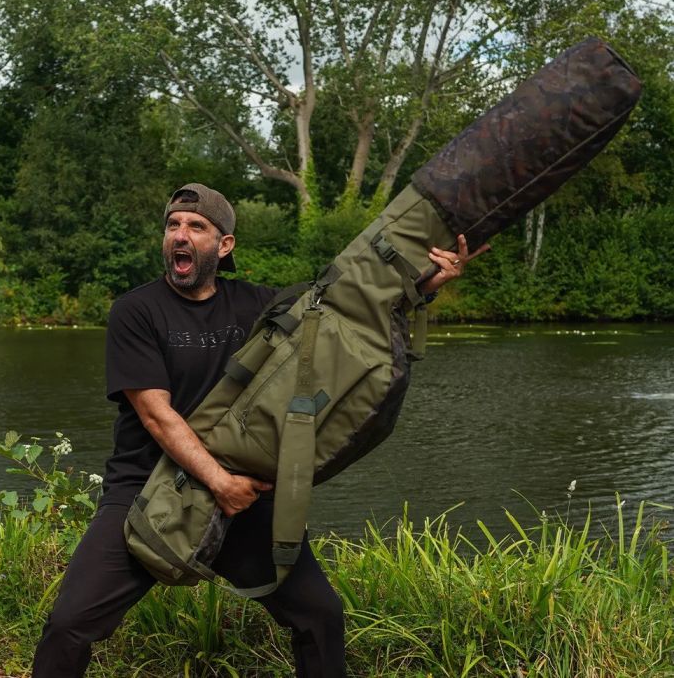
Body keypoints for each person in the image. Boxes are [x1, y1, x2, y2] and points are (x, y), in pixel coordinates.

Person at [32, 183, 486, 677]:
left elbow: (348, 318)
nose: (180, 235)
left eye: (196, 226)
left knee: (319, 616)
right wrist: (218, 482)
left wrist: (425, 285)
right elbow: (156, 415)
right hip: (146, 490)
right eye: (173, 225)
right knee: (69, 623)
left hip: (244, 498)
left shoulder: (261, 306)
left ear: (224, 244)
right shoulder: (136, 311)